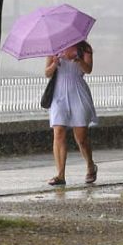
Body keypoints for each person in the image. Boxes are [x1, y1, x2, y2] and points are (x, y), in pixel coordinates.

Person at [44, 40, 98, 186]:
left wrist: (79, 60)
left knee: (81, 137)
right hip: (59, 94)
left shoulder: (84, 48)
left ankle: (90, 165)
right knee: (59, 132)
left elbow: (88, 70)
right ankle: (60, 175)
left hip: (78, 92)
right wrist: (54, 64)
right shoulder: (54, 47)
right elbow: (47, 73)